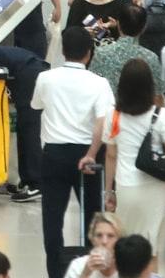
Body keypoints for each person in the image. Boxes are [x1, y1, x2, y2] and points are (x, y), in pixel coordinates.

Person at [29, 26, 113, 278]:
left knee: (52, 217)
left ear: (63, 51)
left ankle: (55, 272)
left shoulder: (46, 78)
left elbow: (37, 104)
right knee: (92, 216)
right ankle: (92, 268)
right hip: (87, 155)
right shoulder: (99, 83)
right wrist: (92, 152)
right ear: (89, 53)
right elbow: (103, 122)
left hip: (54, 153)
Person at [103, 58, 165, 257]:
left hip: (126, 186)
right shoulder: (161, 115)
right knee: (152, 249)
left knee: (126, 247)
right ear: (150, 86)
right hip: (156, 188)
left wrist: (109, 192)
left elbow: (110, 155)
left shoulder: (114, 115)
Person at [61, 213, 122, 278]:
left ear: (119, 240)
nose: (104, 241)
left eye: (110, 236)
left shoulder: (128, 266)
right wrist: (85, 274)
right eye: (99, 235)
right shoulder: (77, 266)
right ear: (92, 239)